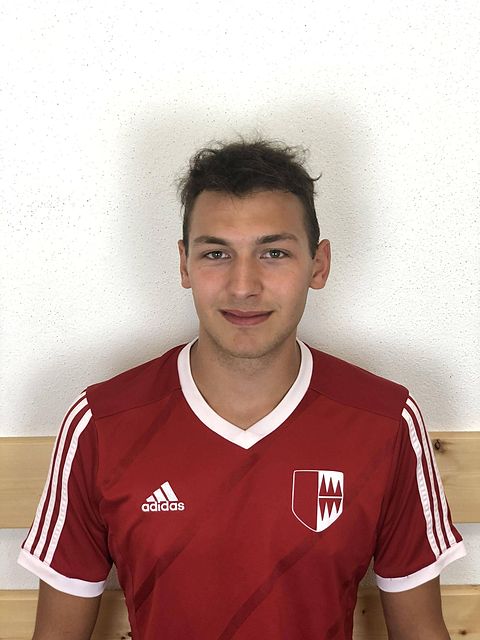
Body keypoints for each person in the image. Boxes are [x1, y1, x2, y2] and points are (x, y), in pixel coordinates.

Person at [18, 139, 466, 639]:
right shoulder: (101, 423)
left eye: (274, 253)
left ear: (318, 265)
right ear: (184, 265)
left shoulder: (385, 420)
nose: (243, 285)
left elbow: (421, 631)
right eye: (217, 253)